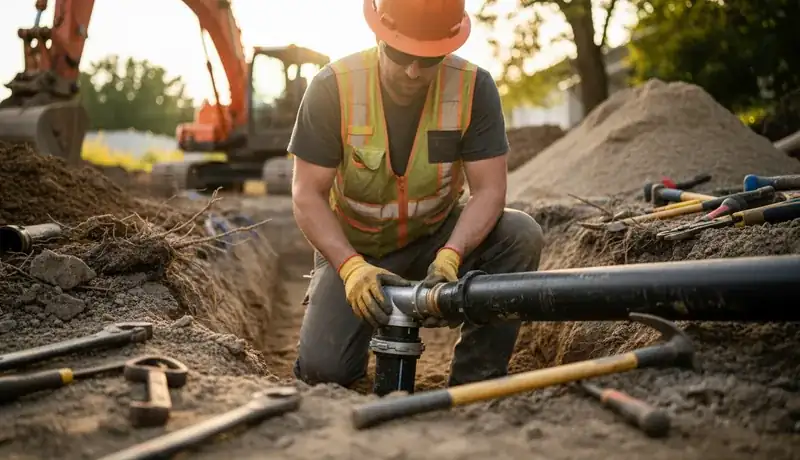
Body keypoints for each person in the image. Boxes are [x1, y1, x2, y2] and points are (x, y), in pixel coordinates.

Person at [288, 0, 544, 388]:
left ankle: (477, 378)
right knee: (325, 373)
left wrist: (452, 254)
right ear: (378, 35)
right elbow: (307, 195)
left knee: (521, 234)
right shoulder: (333, 87)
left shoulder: (474, 88)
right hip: (356, 248)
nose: (413, 70)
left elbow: (490, 190)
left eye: (429, 59)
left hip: (435, 238)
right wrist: (351, 268)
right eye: (402, 54)